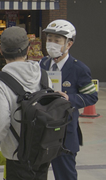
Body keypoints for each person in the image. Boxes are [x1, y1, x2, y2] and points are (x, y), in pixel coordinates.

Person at [0, 26, 52, 180]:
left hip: (17, 155)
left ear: (0, 50)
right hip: (42, 151)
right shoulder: (43, 75)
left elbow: (1, 122)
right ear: (28, 49)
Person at [39, 19, 98, 180]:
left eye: (57, 40)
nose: (51, 43)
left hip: (65, 133)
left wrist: (69, 98)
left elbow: (92, 97)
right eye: (49, 39)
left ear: (69, 44)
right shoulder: (42, 64)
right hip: (41, 130)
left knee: (65, 175)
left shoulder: (79, 69)